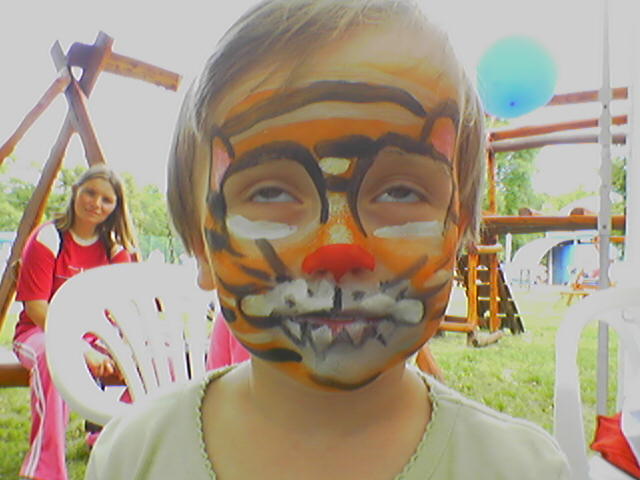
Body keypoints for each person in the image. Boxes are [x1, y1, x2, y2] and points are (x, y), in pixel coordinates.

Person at [87, 1, 570, 478]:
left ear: (457, 233)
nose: (338, 252)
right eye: (270, 192)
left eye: (401, 191)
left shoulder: (521, 470)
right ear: (200, 245)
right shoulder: (134, 456)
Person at [13, 164, 137, 480]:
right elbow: (36, 309)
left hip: (94, 336)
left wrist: (121, 347)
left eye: (106, 199)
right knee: (56, 358)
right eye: (90, 193)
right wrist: (80, 348)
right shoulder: (48, 237)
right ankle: (45, 469)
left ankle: (110, 436)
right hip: (41, 333)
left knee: (152, 357)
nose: (96, 203)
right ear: (75, 192)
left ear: (116, 207)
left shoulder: (115, 248)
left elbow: (122, 310)